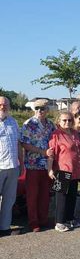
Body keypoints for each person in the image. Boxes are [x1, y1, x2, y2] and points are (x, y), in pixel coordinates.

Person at [47, 111, 80, 232]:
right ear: (59, 121)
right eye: (64, 120)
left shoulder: (76, 133)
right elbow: (51, 153)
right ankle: (59, 222)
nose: (67, 122)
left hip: (75, 170)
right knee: (61, 198)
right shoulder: (56, 135)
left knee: (72, 196)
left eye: (69, 120)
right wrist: (49, 169)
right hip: (62, 170)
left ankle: (70, 219)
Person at [20, 99, 55, 232]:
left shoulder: (50, 124)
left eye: (42, 108)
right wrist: (43, 152)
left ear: (47, 110)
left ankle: (43, 219)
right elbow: (24, 144)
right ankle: (34, 222)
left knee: (45, 195)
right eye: (37, 108)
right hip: (33, 165)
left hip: (47, 166)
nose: (39, 111)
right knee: (32, 195)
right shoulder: (29, 124)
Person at [0, 97, 24, 236]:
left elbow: (18, 143)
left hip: (13, 166)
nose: (3, 107)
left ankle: (4, 228)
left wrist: (21, 162)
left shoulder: (13, 122)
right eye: (1, 104)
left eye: (5, 104)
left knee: (9, 199)